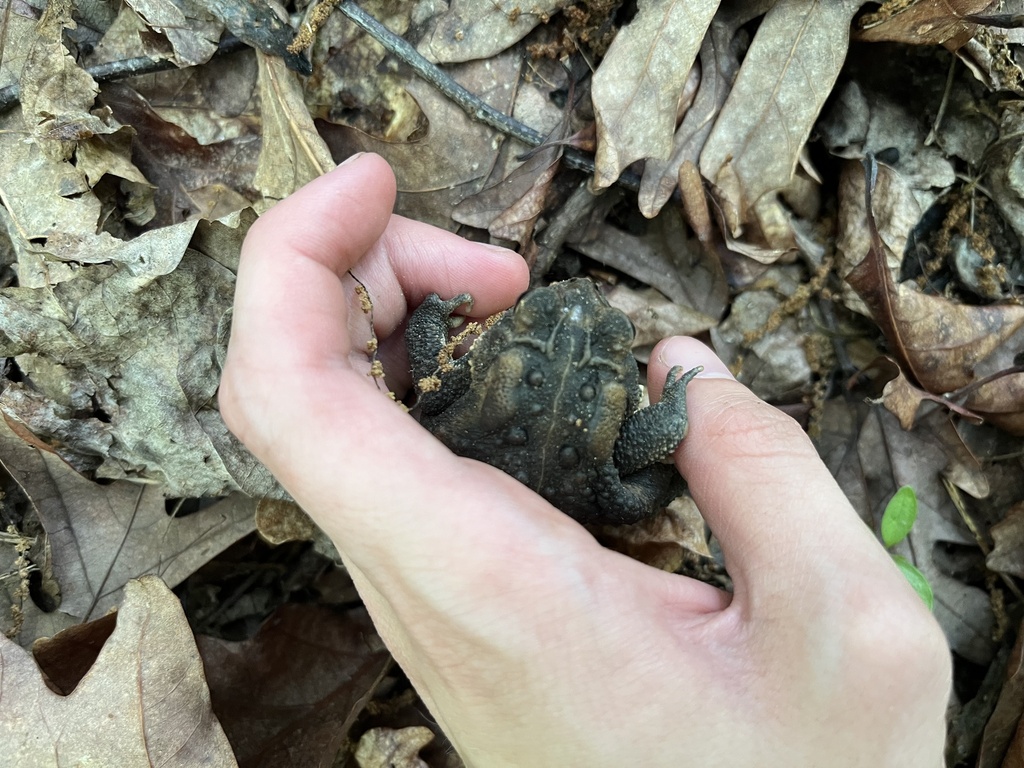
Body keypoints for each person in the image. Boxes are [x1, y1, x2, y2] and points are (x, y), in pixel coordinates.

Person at [220, 153, 951, 766]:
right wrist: (674, 420)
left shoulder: (451, 394)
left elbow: (426, 376)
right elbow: (640, 466)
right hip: (575, 500)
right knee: (634, 491)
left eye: (607, 334)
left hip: (483, 467)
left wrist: (436, 315)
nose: (580, 303)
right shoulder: (564, 412)